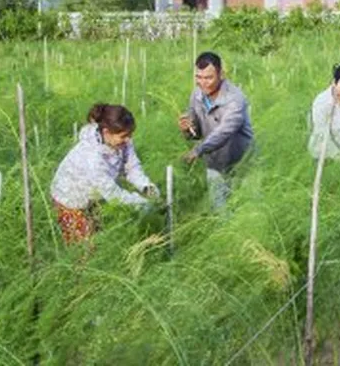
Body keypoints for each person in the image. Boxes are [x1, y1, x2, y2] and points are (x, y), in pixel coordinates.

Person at [51, 104, 157, 245]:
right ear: (106, 132)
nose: (128, 140)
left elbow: (131, 167)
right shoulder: (91, 156)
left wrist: (146, 187)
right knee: (85, 248)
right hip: (70, 199)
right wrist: (142, 203)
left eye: (130, 135)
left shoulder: (123, 140)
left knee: (99, 237)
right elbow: (113, 195)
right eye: (124, 136)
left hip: (94, 196)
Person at [178, 52, 254, 213]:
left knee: (247, 211)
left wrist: (198, 150)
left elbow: (224, 131)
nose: (202, 83)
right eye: (198, 77)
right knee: (221, 213)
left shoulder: (235, 98)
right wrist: (187, 129)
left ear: (221, 74)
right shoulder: (196, 95)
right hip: (214, 163)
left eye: (208, 78)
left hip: (242, 163)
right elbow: (196, 133)